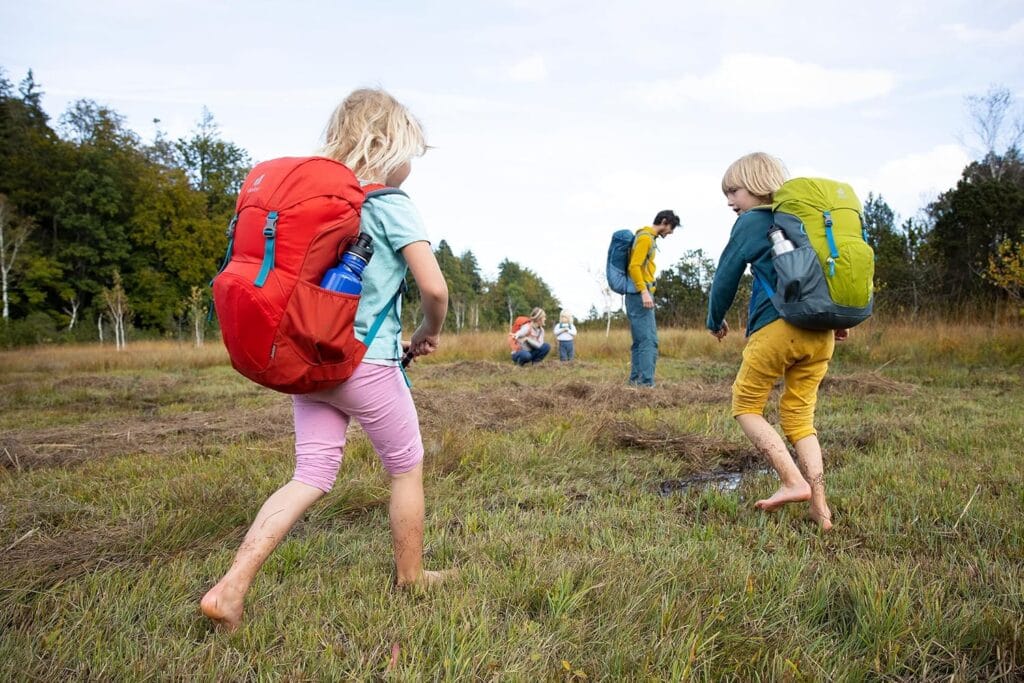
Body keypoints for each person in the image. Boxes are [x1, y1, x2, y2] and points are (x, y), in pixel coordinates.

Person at [201, 88, 452, 632]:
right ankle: (411, 576)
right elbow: (434, 288)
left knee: (310, 472)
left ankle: (232, 585)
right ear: (389, 147)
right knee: (406, 466)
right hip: (366, 364)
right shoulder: (390, 204)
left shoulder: (327, 206)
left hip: (310, 360)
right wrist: (428, 332)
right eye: (410, 152)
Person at [706, 152, 847, 531]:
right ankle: (821, 507)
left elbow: (726, 275)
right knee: (801, 419)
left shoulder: (753, 222)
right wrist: (835, 319)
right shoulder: (803, 220)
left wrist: (714, 318)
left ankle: (791, 480)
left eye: (733, 190)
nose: (729, 201)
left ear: (755, 184)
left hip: (777, 328)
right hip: (821, 333)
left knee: (747, 405)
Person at [626, 209, 680, 387]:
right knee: (649, 341)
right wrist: (644, 292)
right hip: (639, 294)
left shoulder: (647, 237)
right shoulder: (645, 238)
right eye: (671, 228)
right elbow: (634, 266)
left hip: (639, 293)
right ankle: (645, 384)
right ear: (664, 221)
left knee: (642, 340)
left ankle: (635, 381)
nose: (670, 233)